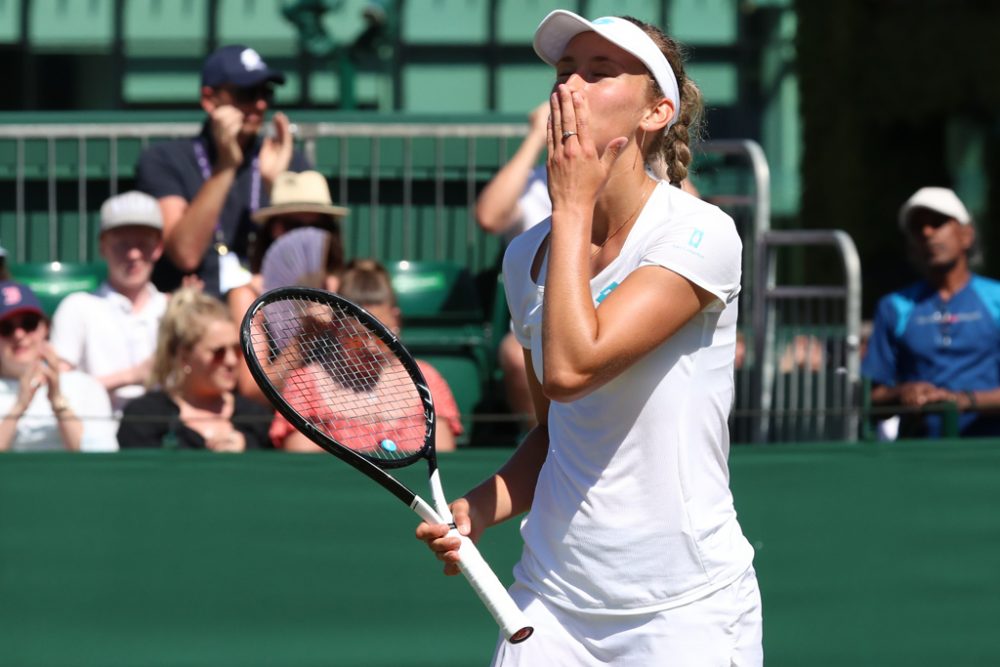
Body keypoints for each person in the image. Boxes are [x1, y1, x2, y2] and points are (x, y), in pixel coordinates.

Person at [417, 11, 761, 666]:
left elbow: (575, 369)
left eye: (600, 73)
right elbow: (555, 430)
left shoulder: (699, 235)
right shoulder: (524, 258)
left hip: (685, 608)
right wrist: (481, 505)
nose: (570, 87)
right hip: (551, 599)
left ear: (655, 111)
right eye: (564, 70)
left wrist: (569, 205)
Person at [135, 44, 312, 297]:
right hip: (197, 312)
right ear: (210, 100)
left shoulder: (283, 158)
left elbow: (309, 263)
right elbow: (185, 255)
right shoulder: (164, 159)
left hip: (269, 309)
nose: (260, 104)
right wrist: (226, 166)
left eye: (266, 93)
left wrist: (277, 187)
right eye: (247, 93)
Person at [269, 259, 463, 453]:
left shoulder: (426, 380)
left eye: (380, 337)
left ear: (396, 320)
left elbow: (444, 455)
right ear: (338, 329)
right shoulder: (305, 386)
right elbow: (305, 466)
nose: (371, 348)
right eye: (357, 339)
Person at [863, 186, 1000, 438]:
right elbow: (872, 396)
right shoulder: (893, 306)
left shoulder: (996, 299)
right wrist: (902, 393)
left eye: (938, 223)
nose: (927, 233)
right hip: (919, 459)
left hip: (989, 455)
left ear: (966, 235)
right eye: (917, 227)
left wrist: (963, 400)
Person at [228, 171, 348, 403]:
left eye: (321, 226)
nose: (307, 237)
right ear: (274, 229)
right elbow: (254, 391)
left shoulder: (339, 287)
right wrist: (305, 337)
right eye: (294, 225)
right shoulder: (249, 297)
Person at [50, 191, 169, 414]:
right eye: (122, 244)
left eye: (143, 244)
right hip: (99, 438)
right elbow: (58, 388)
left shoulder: (174, 310)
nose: (133, 254)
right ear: (102, 247)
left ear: (158, 248)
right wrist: (133, 375)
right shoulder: (77, 307)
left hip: (167, 438)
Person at [117, 288, 272, 451]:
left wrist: (247, 449)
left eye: (236, 350)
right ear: (184, 357)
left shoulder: (256, 417)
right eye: (218, 352)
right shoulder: (144, 417)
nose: (231, 361)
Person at [0, 281, 116, 452]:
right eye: (6, 328)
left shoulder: (85, 386)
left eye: (29, 323)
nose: (19, 335)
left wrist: (57, 401)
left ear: (45, 328)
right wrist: (19, 406)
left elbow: (98, 459)